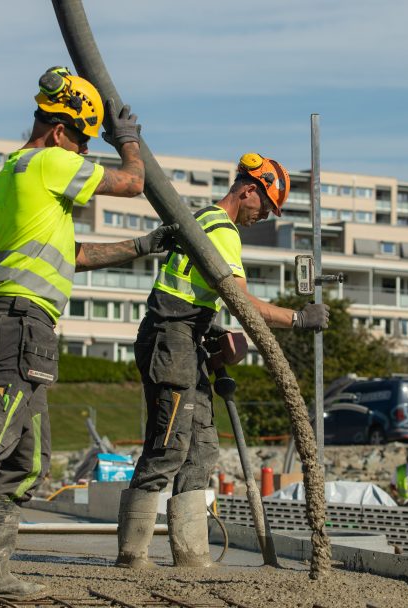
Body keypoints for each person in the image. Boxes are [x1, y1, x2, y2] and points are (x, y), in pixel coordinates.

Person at [0, 67, 167, 605]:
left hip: (25, 325)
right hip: (20, 325)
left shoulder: (17, 175)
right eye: (83, 142)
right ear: (63, 132)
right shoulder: (47, 161)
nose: (85, 153)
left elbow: (74, 255)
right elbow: (133, 182)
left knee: (26, 459)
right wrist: (128, 140)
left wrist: (144, 245)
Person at [115, 152, 330, 569]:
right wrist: (299, 318)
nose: (263, 216)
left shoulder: (205, 224)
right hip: (170, 341)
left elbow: (192, 294)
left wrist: (212, 333)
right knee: (168, 446)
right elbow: (242, 301)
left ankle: (191, 553)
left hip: (185, 339)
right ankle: (132, 553)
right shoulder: (220, 229)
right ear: (248, 189)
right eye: (265, 207)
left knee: (203, 448)